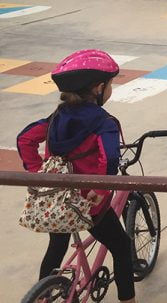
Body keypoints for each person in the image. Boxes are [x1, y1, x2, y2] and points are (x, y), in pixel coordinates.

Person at [17, 50, 137, 303]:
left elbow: (25, 139)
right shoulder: (104, 122)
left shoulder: (56, 117)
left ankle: (42, 296)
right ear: (98, 87)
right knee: (122, 248)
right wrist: (101, 190)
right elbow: (110, 159)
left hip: (58, 201)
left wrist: (38, 173)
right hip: (88, 204)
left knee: (57, 246)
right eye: (111, 84)